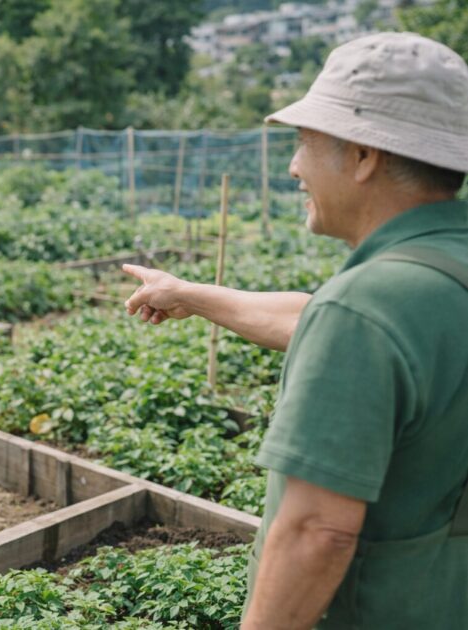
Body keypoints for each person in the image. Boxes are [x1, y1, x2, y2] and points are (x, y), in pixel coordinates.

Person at [123, 32, 468, 629]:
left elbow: (317, 532)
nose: (293, 166)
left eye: (305, 142)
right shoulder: (437, 276)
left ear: (364, 156)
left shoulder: (365, 310)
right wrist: (187, 294)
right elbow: (320, 320)